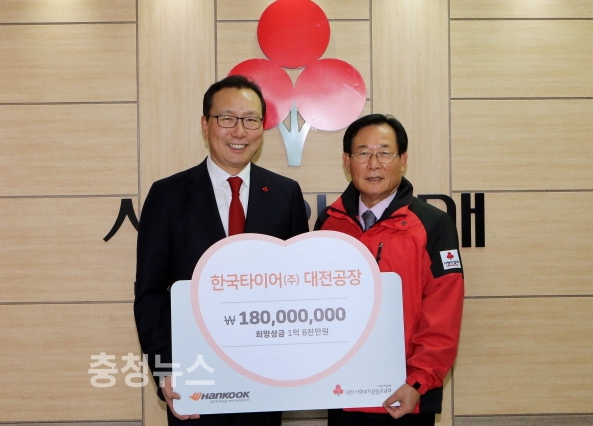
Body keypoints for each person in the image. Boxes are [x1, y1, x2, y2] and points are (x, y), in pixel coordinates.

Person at [134, 75, 309, 426]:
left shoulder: (285, 193)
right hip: (196, 377)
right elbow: (150, 293)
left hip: (265, 377)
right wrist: (166, 369)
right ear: (205, 124)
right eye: (227, 118)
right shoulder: (167, 195)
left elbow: (298, 289)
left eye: (251, 120)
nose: (239, 131)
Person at [314, 114, 464, 426]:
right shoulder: (329, 223)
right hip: (342, 391)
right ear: (347, 161)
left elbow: (443, 314)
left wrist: (418, 382)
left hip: (406, 395)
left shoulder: (433, 224)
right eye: (362, 153)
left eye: (384, 153)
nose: (373, 164)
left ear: (402, 160)